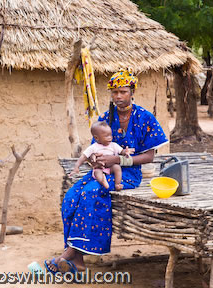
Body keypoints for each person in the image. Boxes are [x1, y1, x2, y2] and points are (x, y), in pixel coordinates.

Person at [45, 68, 168, 274]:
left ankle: (66, 255)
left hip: (127, 174)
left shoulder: (145, 118)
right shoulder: (105, 118)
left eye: (123, 91)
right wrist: (95, 159)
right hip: (100, 172)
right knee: (71, 196)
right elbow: (95, 149)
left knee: (91, 193)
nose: (118, 96)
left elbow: (149, 157)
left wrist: (118, 159)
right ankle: (79, 258)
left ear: (132, 92)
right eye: (114, 92)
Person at [70, 121, 134, 191]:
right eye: (106, 136)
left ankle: (117, 184)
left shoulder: (113, 145)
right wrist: (76, 167)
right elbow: (83, 156)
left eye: (110, 135)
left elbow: (121, 151)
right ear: (96, 138)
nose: (110, 138)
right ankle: (103, 181)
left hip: (111, 167)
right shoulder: (94, 147)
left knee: (117, 167)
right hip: (99, 168)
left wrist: (126, 151)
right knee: (97, 173)